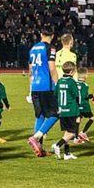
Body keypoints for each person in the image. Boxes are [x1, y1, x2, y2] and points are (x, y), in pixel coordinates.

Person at [25, 27, 58, 157]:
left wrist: (30, 88)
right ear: (53, 36)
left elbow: (30, 71)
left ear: (41, 34)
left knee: (40, 116)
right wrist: (58, 84)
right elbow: (52, 68)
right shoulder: (50, 48)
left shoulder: (32, 48)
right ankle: (36, 137)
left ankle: (40, 149)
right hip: (47, 86)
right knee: (56, 113)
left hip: (35, 86)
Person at [51, 61, 82, 161]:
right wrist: (79, 107)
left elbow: (55, 95)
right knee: (72, 133)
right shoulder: (72, 82)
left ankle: (67, 153)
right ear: (72, 71)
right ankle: (57, 145)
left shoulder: (60, 81)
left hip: (62, 111)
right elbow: (77, 96)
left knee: (66, 133)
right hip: (71, 110)